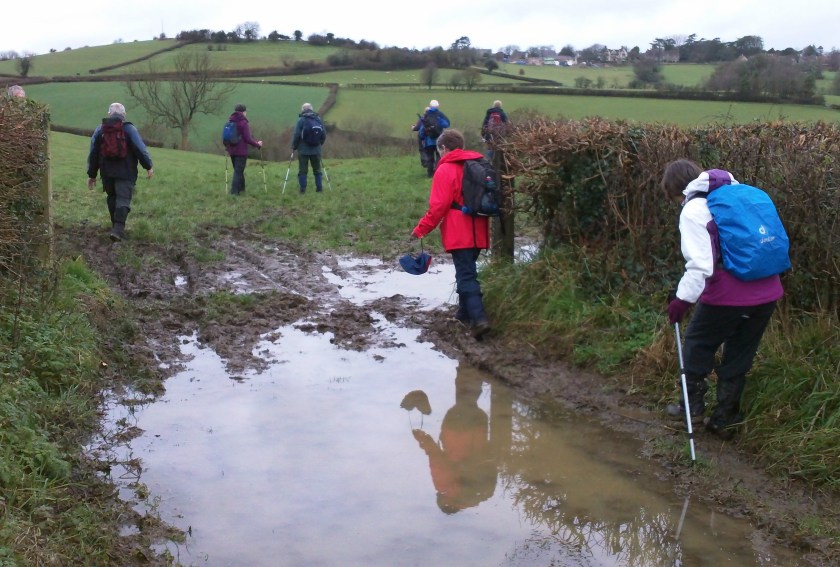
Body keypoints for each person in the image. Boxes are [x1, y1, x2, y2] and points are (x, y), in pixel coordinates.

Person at [662, 159, 784, 439]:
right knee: (740, 352)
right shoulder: (745, 197)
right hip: (768, 291)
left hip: (729, 295)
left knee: (697, 344)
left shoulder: (693, 209)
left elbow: (700, 266)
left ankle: (690, 409)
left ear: (677, 191)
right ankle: (725, 419)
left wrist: (681, 302)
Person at [410, 128, 491, 339]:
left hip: (459, 230)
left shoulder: (445, 170)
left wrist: (420, 230)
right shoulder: (477, 164)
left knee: (466, 274)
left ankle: (479, 319)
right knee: (466, 270)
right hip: (480, 228)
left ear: (444, 148)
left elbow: (438, 208)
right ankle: (463, 313)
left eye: (440, 150)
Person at [86, 102, 154, 242]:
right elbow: (140, 149)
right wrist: (148, 166)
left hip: (107, 172)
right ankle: (118, 230)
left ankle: (115, 227)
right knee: (123, 199)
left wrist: (92, 175)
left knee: (112, 197)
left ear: (109, 113)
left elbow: (93, 153)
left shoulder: (100, 130)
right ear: (124, 115)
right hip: (126, 171)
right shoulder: (129, 129)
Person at [224, 104, 263, 195]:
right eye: (246, 111)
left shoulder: (230, 121)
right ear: (243, 112)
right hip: (241, 151)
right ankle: (234, 193)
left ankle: (242, 190)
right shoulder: (243, 122)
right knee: (238, 171)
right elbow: (248, 138)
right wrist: (257, 144)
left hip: (232, 150)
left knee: (238, 170)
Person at [291, 102, 326, 193]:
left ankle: (302, 190)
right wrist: (319, 144)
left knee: (303, 170)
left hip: (303, 150)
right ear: (311, 109)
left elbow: (296, 134)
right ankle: (319, 188)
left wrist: (294, 146)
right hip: (316, 149)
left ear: (302, 110)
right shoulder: (318, 119)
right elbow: (324, 134)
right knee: (317, 170)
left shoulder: (301, 120)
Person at [415, 100, 450, 178]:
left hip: (428, 141)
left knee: (430, 158)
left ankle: (430, 174)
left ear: (430, 106)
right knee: (439, 157)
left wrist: (422, 137)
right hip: (439, 140)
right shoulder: (440, 115)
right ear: (438, 106)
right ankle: (438, 173)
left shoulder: (426, 115)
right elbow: (446, 124)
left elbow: (422, 129)